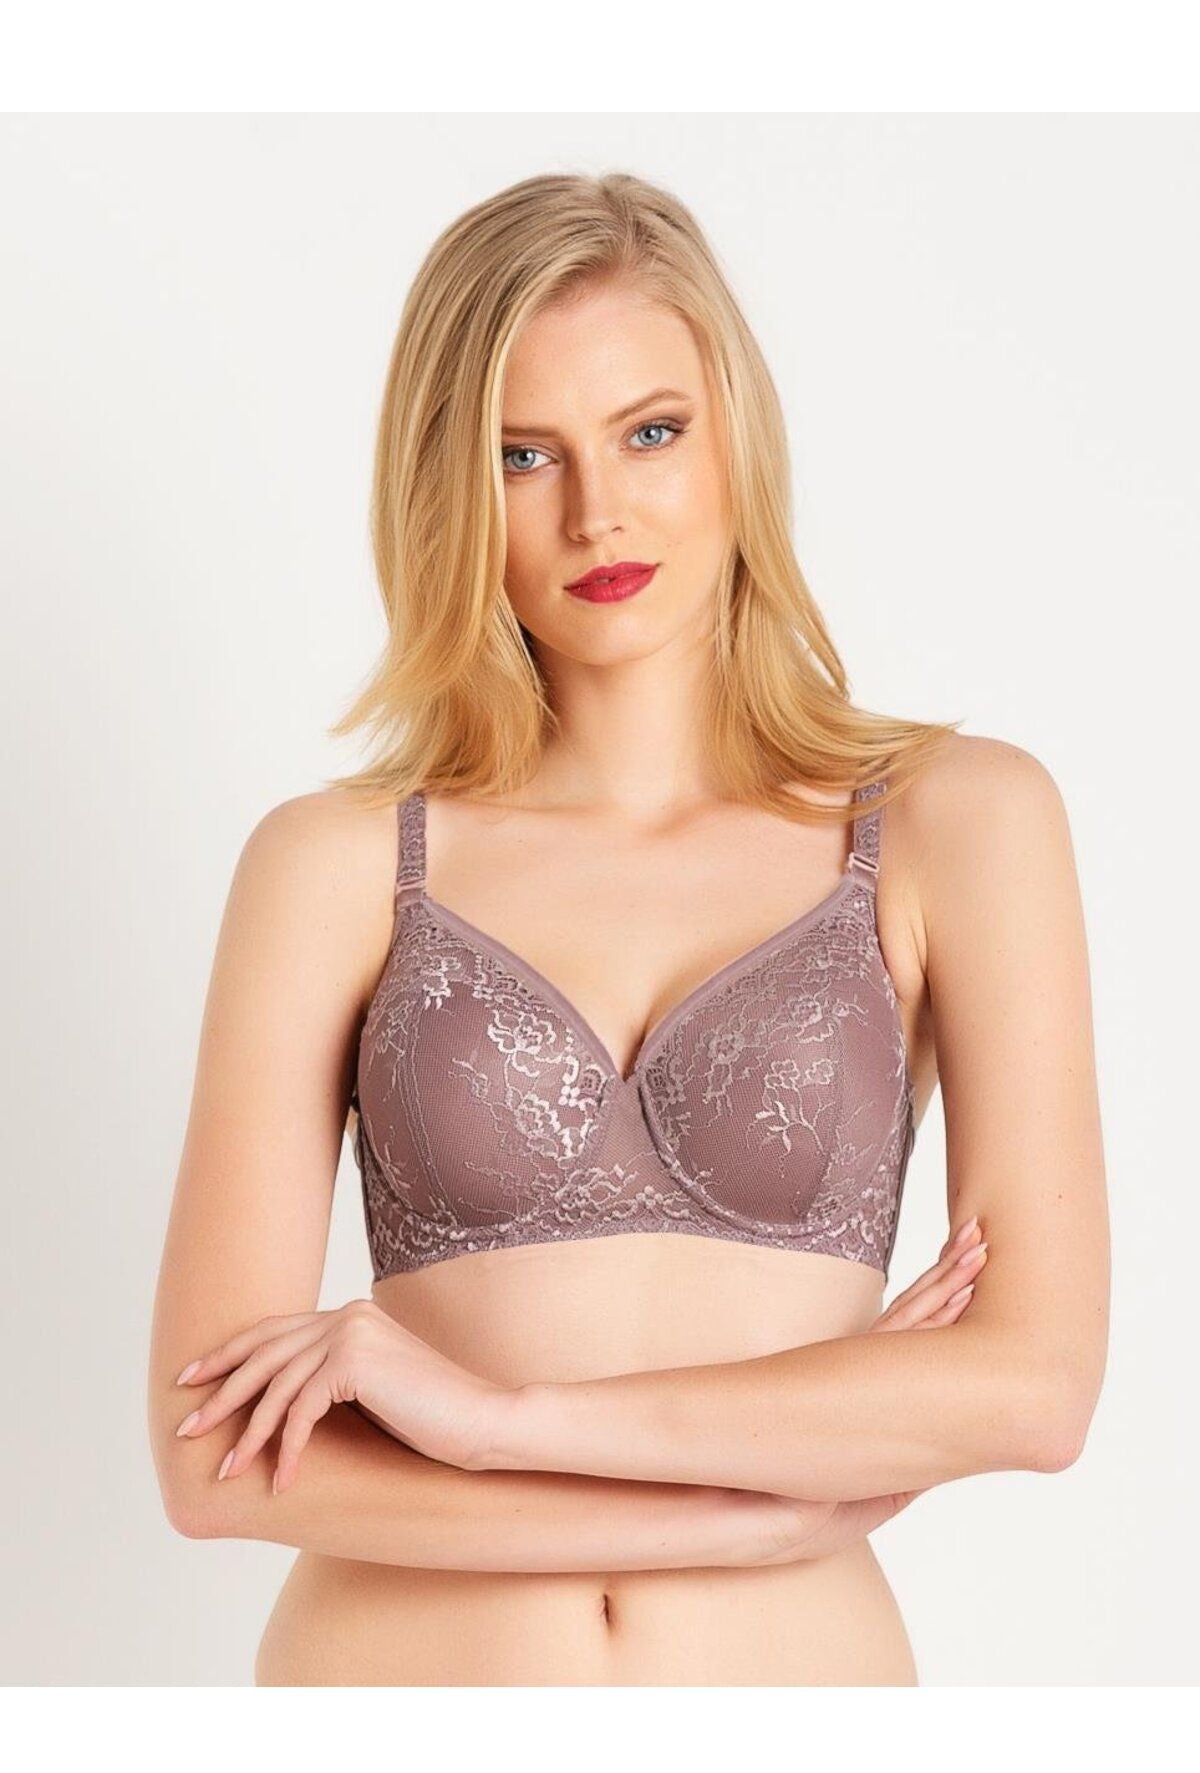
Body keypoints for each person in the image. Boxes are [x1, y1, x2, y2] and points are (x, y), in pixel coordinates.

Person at [148, 171, 1110, 1686]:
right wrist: (737, 1514)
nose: (595, 511)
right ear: (450, 489)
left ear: (738, 434)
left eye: (650, 432)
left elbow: (1034, 1387)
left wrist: (498, 1424)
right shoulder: (336, 865)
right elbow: (212, 1459)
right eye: (522, 455)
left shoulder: (956, 824)